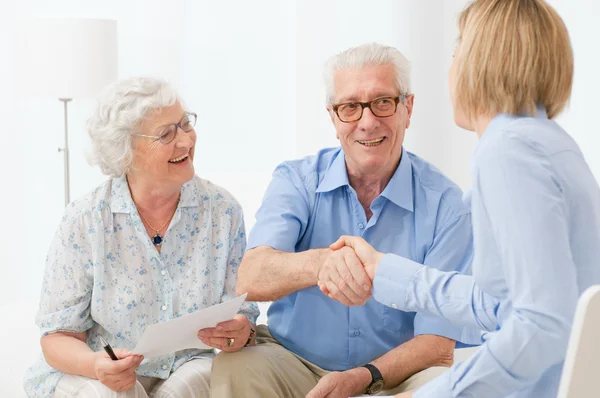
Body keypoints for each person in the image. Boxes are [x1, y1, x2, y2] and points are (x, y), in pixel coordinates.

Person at [330, 1, 600, 398]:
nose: (451, 65)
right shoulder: (551, 143)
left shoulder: (508, 151)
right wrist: (383, 271)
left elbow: (541, 324)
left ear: (482, 60)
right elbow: (500, 303)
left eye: (457, 49)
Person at [211, 43, 481, 398]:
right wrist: (323, 263)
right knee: (236, 366)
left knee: (449, 385)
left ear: (408, 108)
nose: (368, 122)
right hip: (296, 362)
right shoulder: (296, 180)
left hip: (395, 374)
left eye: (383, 102)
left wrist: (364, 376)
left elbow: (437, 343)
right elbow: (250, 275)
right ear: (333, 117)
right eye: (351, 107)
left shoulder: (449, 206)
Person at [23, 77, 259, 397]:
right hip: (98, 367)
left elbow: (242, 315)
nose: (186, 141)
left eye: (185, 124)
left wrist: (239, 331)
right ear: (125, 152)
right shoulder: (86, 218)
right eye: (166, 134)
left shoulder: (222, 212)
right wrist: (97, 366)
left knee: (191, 387)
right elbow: (57, 336)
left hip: (187, 364)